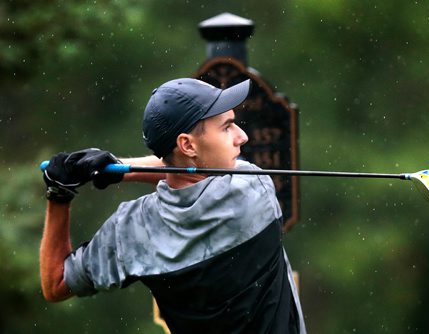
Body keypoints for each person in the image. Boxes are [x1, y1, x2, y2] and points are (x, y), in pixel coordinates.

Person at [40, 78, 307, 333]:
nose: (242, 136)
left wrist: (59, 193)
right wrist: (121, 169)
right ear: (187, 144)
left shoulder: (133, 230)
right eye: (227, 127)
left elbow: (56, 283)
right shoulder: (251, 189)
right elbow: (192, 171)